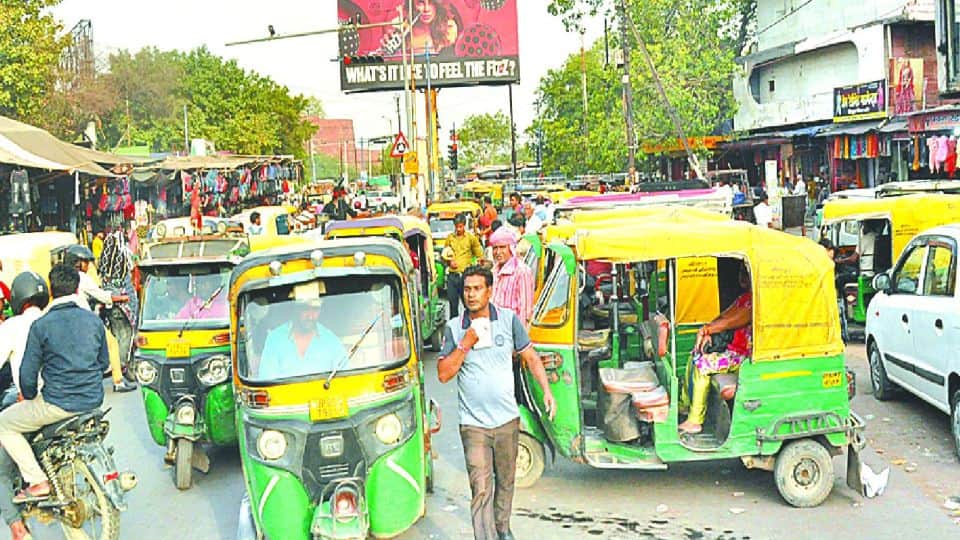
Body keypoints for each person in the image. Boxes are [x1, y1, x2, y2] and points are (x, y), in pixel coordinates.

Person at [437, 265, 556, 540]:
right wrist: (465, 343)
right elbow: (443, 374)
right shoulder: (455, 328)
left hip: (506, 420)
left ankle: (502, 528)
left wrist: (546, 390)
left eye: (477, 288)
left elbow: (531, 358)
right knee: (480, 488)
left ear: (489, 291)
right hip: (473, 425)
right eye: (467, 289)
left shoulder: (508, 320)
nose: (471, 294)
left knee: (506, 481)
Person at [0, 264, 109, 503]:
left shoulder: (42, 326)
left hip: (58, 403)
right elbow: (104, 364)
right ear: (77, 287)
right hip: (93, 400)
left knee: (4, 423)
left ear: (52, 290)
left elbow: (28, 379)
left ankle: (37, 480)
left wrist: (28, 397)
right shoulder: (93, 321)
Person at [0, 272, 48, 540]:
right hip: (68, 396)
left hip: (31, 400)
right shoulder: (54, 316)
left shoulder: (13, 326)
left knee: (0, 469)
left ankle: (17, 527)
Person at [679, 265, 752, 434]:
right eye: (740, 273)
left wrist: (708, 330)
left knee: (702, 365)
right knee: (695, 356)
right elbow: (724, 316)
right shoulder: (743, 298)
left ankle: (695, 421)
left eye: (746, 274)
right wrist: (708, 328)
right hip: (733, 352)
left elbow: (732, 321)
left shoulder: (755, 302)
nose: (742, 277)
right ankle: (684, 404)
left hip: (744, 357)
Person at [258, 301, 349, 380]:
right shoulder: (275, 338)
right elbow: (266, 378)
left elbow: (345, 377)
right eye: (305, 309)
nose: (310, 316)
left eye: (315, 309)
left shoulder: (331, 340)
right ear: (296, 309)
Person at [97, 233, 139, 393]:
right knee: (125, 336)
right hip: (121, 306)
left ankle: (118, 369)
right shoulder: (122, 264)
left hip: (111, 306)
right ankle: (121, 368)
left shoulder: (105, 269)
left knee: (115, 337)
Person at [489, 227, 534, 327]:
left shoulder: (522, 271)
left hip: (511, 331)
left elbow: (525, 311)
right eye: (495, 248)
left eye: (502, 247)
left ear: (511, 248)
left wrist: (519, 338)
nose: (498, 252)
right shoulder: (494, 271)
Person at [444, 213, 483, 318]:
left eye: (460, 226)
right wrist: (449, 261)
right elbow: (445, 254)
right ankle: (454, 328)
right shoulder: (450, 238)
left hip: (465, 276)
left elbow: (479, 254)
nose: (458, 229)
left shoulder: (471, 238)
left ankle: (470, 325)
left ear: (464, 225)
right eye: (457, 226)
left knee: (468, 304)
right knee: (453, 304)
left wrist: (475, 268)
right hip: (452, 275)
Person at [64, 244, 115, 311]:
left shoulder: (63, 275)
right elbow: (103, 296)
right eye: (86, 262)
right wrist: (122, 298)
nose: (88, 265)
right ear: (78, 262)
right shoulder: (81, 277)